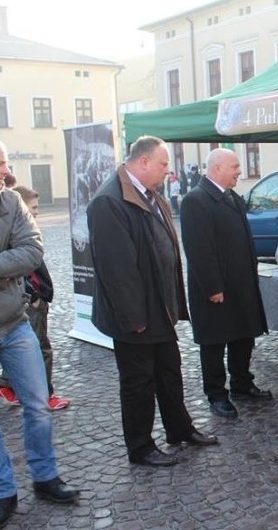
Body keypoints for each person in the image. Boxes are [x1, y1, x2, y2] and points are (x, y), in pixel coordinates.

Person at [0, 134, 79, 530]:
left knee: (39, 406)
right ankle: (2, 494)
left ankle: (45, 478)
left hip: (14, 325)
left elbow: (31, 254)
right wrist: (2, 276)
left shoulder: (10, 201)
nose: (7, 171)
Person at [87, 135, 218, 468]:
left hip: (157, 307)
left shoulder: (149, 194)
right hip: (136, 314)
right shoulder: (109, 201)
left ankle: (179, 429)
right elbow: (117, 270)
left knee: (169, 372)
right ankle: (141, 446)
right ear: (142, 162)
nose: (166, 172)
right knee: (138, 383)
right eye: (162, 164)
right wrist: (135, 319)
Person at [180, 148, 271, 418]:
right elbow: (198, 249)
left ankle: (242, 384)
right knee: (214, 342)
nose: (239, 172)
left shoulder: (232, 197)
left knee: (243, 337)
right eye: (235, 166)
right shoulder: (196, 201)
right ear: (217, 168)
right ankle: (216, 394)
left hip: (241, 284)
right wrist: (212, 287)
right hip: (216, 288)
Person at [0, 186, 71, 411]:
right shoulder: (10, 233)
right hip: (29, 300)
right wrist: (33, 296)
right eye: (33, 208)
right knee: (39, 348)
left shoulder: (20, 230)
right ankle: (44, 396)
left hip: (35, 297)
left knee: (27, 347)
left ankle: (6, 383)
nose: (37, 212)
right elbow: (16, 268)